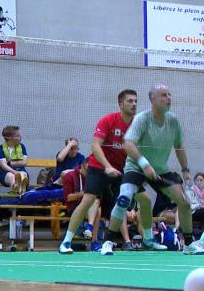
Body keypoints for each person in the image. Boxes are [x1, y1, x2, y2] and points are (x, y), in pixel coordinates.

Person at [100, 84, 204, 256]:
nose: (168, 98)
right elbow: (128, 143)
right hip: (136, 167)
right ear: (153, 100)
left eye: (169, 94)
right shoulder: (142, 118)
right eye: (163, 95)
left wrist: (185, 169)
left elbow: (178, 146)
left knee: (185, 203)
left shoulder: (173, 120)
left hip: (160, 170)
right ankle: (108, 242)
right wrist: (144, 164)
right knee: (124, 199)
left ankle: (188, 244)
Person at [59, 89, 143, 254]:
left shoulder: (137, 125)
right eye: (130, 101)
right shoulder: (108, 120)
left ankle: (112, 242)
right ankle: (66, 242)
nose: (134, 104)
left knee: (129, 201)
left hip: (121, 169)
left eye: (135, 101)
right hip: (99, 166)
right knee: (88, 199)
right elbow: (95, 146)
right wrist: (107, 167)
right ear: (121, 104)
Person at [0, 125, 29, 194]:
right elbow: (3, 165)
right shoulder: (0, 148)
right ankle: (18, 192)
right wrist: (13, 171)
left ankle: (20, 191)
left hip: (21, 171)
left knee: (23, 175)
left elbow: (24, 162)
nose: (20, 137)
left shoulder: (22, 147)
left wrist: (9, 163)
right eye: (17, 136)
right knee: (12, 177)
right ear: (9, 138)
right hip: (6, 173)